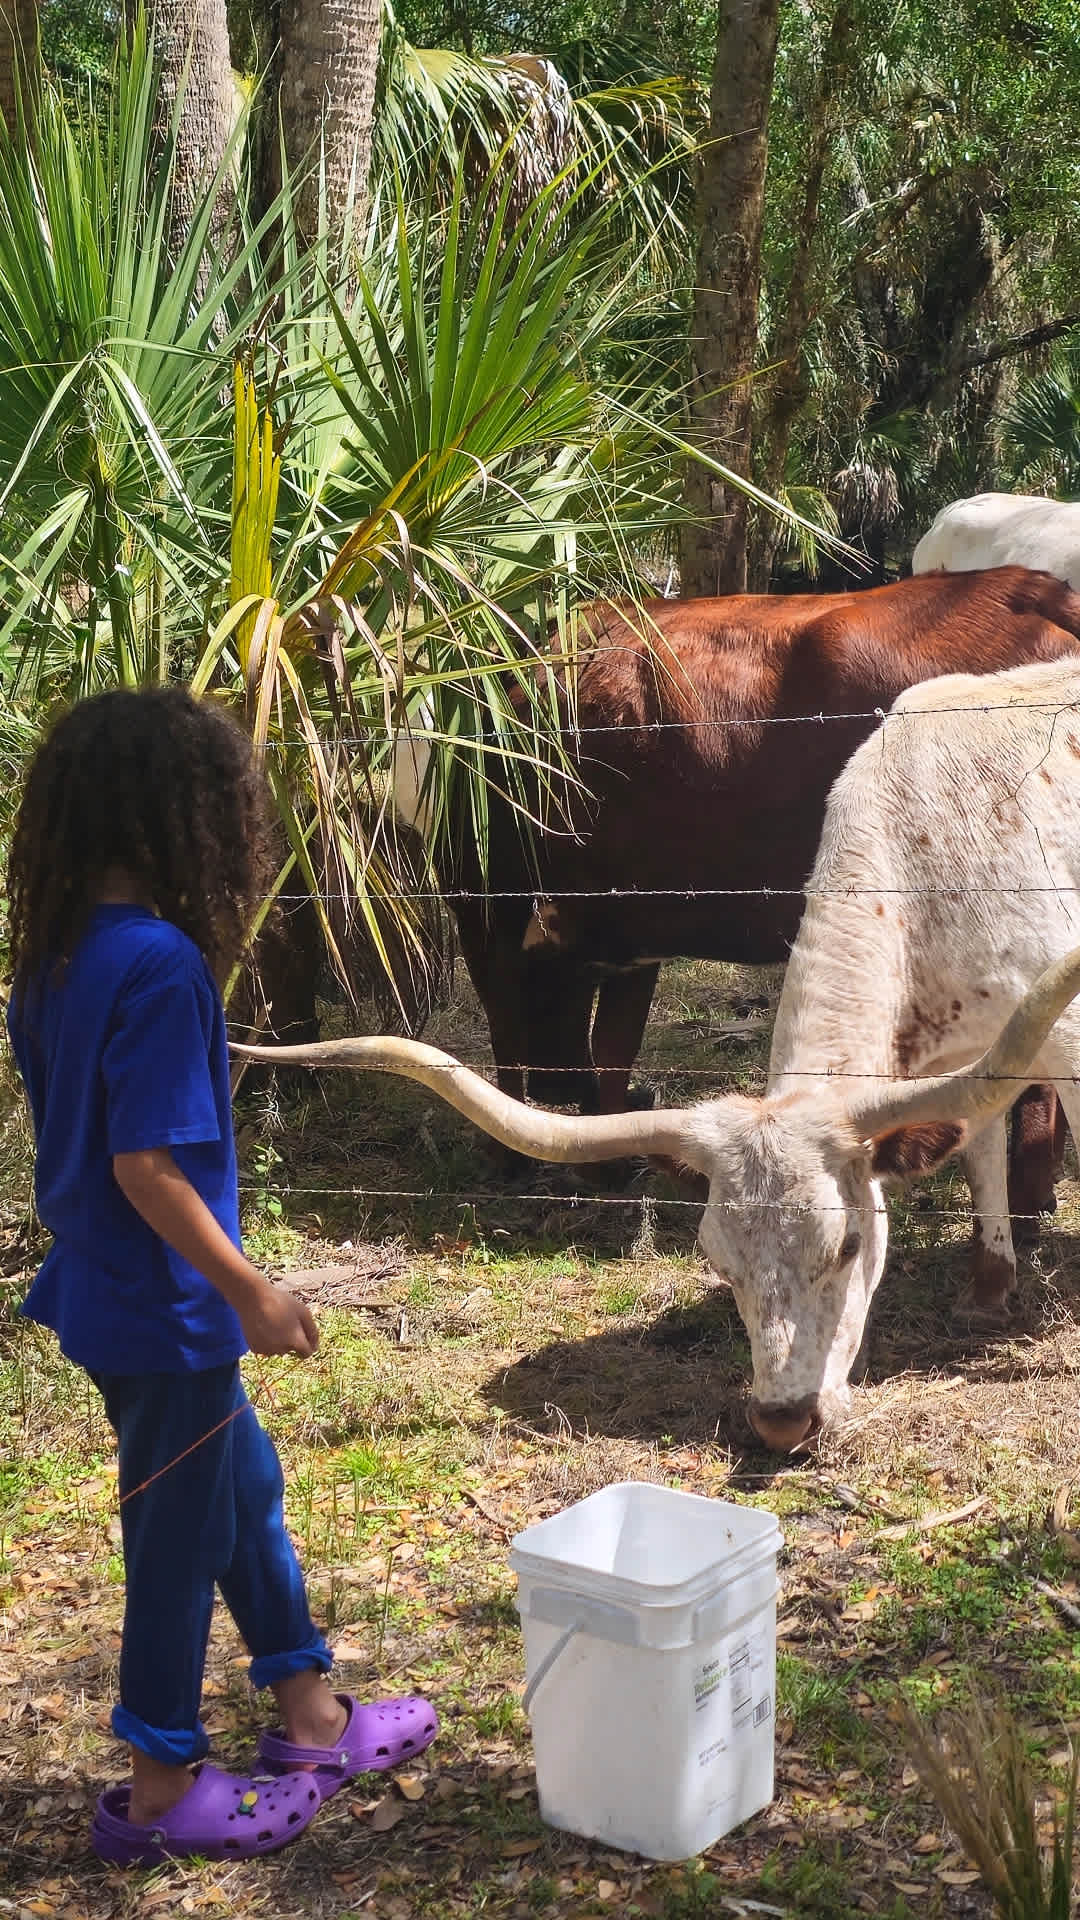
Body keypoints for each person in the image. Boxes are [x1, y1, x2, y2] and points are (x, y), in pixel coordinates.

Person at [5, 688, 438, 1866]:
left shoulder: (58, 958)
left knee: (240, 1498)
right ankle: (159, 1786)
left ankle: (312, 1719)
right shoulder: (164, 967)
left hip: (108, 1296)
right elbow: (146, 1166)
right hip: (170, 1314)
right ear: (180, 817)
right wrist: (249, 1290)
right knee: (176, 1544)